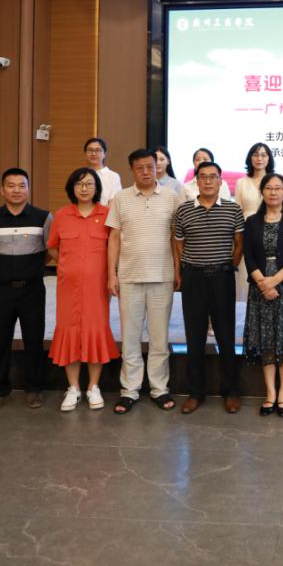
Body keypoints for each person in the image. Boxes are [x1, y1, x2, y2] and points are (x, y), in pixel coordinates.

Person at [106, 149, 181, 414]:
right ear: (132, 170)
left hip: (162, 276)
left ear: (157, 167)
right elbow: (114, 237)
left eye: (151, 166)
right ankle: (129, 390)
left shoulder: (171, 197)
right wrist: (111, 273)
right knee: (130, 337)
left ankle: (159, 388)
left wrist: (178, 269)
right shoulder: (121, 198)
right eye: (140, 168)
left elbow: (175, 237)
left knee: (160, 338)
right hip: (129, 277)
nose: (147, 172)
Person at [0, 168, 52, 413]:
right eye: (11, 185)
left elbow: (51, 250)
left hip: (32, 290)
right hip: (1, 291)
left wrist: (31, 267)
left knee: (34, 340)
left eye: (22, 185)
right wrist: (3, 268)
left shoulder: (43, 217)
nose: (17, 190)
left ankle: (34, 389)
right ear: (2, 190)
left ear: (28, 189)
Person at [173, 160, 245, 414]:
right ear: (196, 181)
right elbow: (178, 243)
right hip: (193, 278)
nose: (207, 181)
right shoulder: (184, 210)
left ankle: (231, 390)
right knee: (194, 336)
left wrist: (228, 266)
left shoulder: (232, 209)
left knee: (226, 336)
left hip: (222, 277)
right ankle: (196, 392)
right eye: (202, 177)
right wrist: (182, 270)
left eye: (212, 177)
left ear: (220, 181)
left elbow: (239, 243)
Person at [47, 167, 120, 411]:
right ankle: (73, 388)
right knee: (69, 331)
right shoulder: (61, 215)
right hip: (68, 287)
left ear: (97, 187)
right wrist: (68, 265)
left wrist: (111, 275)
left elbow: (114, 247)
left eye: (89, 183)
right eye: (79, 184)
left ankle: (93, 387)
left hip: (97, 287)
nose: (84, 188)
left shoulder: (107, 214)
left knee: (95, 330)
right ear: (72, 188)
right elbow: (52, 247)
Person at [242, 173, 283, 417]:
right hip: (260, 286)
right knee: (266, 339)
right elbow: (248, 255)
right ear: (262, 192)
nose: (273, 192)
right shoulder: (252, 221)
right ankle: (270, 392)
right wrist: (263, 283)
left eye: (278, 188)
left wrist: (275, 281)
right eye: (268, 188)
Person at [234, 142, 276, 301]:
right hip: (247, 231)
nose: (259, 158)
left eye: (264, 155)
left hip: (272, 229)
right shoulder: (241, 182)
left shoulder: (274, 180)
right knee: (247, 273)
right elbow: (238, 212)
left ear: (269, 158)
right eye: (256, 155)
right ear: (250, 158)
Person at [83, 137, 122, 206]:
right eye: (90, 150)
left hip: (106, 212)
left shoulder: (113, 176)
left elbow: (114, 203)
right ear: (85, 154)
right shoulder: (81, 175)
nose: (93, 153)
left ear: (104, 154)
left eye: (98, 150)